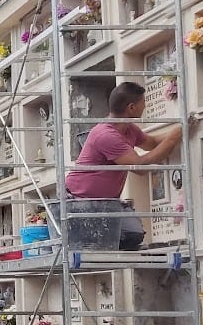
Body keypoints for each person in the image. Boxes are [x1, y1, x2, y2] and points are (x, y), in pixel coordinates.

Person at [64, 82, 182, 249]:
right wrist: (173, 138)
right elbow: (139, 167)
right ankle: (95, 241)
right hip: (80, 202)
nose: (145, 105)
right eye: (143, 101)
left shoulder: (129, 129)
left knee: (134, 235)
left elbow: (152, 143)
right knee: (97, 241)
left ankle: (101, 240)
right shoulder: (105, 135)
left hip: (107, 203)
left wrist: (180, 130)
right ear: (132, 107)